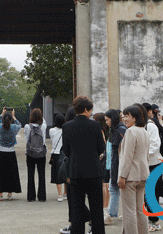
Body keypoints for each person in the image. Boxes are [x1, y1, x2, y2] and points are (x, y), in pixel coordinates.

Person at [62, 96, 105, 234]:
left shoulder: (67, 126)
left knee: (77, 210)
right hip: (94, 171)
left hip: (75, 172)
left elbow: (66, 150)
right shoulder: (95, 125)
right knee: (97, 209)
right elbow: (101, 148)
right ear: (86, 109)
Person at [117, 105, 150, 234]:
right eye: (124, 115)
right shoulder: (144, 131)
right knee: (140, 210)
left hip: (130, 176)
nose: (125, 119)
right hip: (143, 175)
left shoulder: (131, 131)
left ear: (135, 118)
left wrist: (122, 176)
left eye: (127, 116)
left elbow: (127, 157)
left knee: (129, 211)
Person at [141, 103, 163, 232]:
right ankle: (149, 217)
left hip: (152, 163)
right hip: (144, 163)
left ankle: (155, 221)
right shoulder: (141, 126)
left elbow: (155, 145)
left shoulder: (150, 126)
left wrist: (142, 156)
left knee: (152, 193)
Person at [0, 108, 22, 200]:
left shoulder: (0, 127)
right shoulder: (14, 127)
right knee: (11, 173)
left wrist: (2, 113)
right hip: (11, 152)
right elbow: (19, 124)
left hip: (1, 151)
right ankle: (10, 194)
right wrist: (14, 116)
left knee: (1, 173)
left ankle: (0, 195)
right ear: (10, 120)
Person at [104, 109, 126, 225]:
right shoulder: (118, 129)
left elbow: (119, 153)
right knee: (116, 190)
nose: (106, 122)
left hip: (118, 165)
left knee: (115, 190)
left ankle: (111, 215)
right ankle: (113, 214)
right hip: (115, 165)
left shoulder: (119, 130)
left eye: (107, 120)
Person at [25, 107, 48, 202]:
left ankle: (31, 196)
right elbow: (44, 122)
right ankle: (42, 197)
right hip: (41, 153)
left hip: (30, 153)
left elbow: (27, 140)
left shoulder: (27, 127)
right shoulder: (43, 126)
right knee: (41, 175)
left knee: (30, 175)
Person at [93, 112, 110, 216]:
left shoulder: (100, 131)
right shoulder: (108, 131)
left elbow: (102, 148)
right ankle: (106, 207)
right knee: (106, 185)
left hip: (102, 160)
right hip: (107, 160)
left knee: (104, 185)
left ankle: (104, 208)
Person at [49, 113, 67, 202]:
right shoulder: (66, 130)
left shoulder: (52, 131)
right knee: (65, 172)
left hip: (55, 153)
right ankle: (65, 193)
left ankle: (59, 194)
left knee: (57, 174)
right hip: (64, 153)